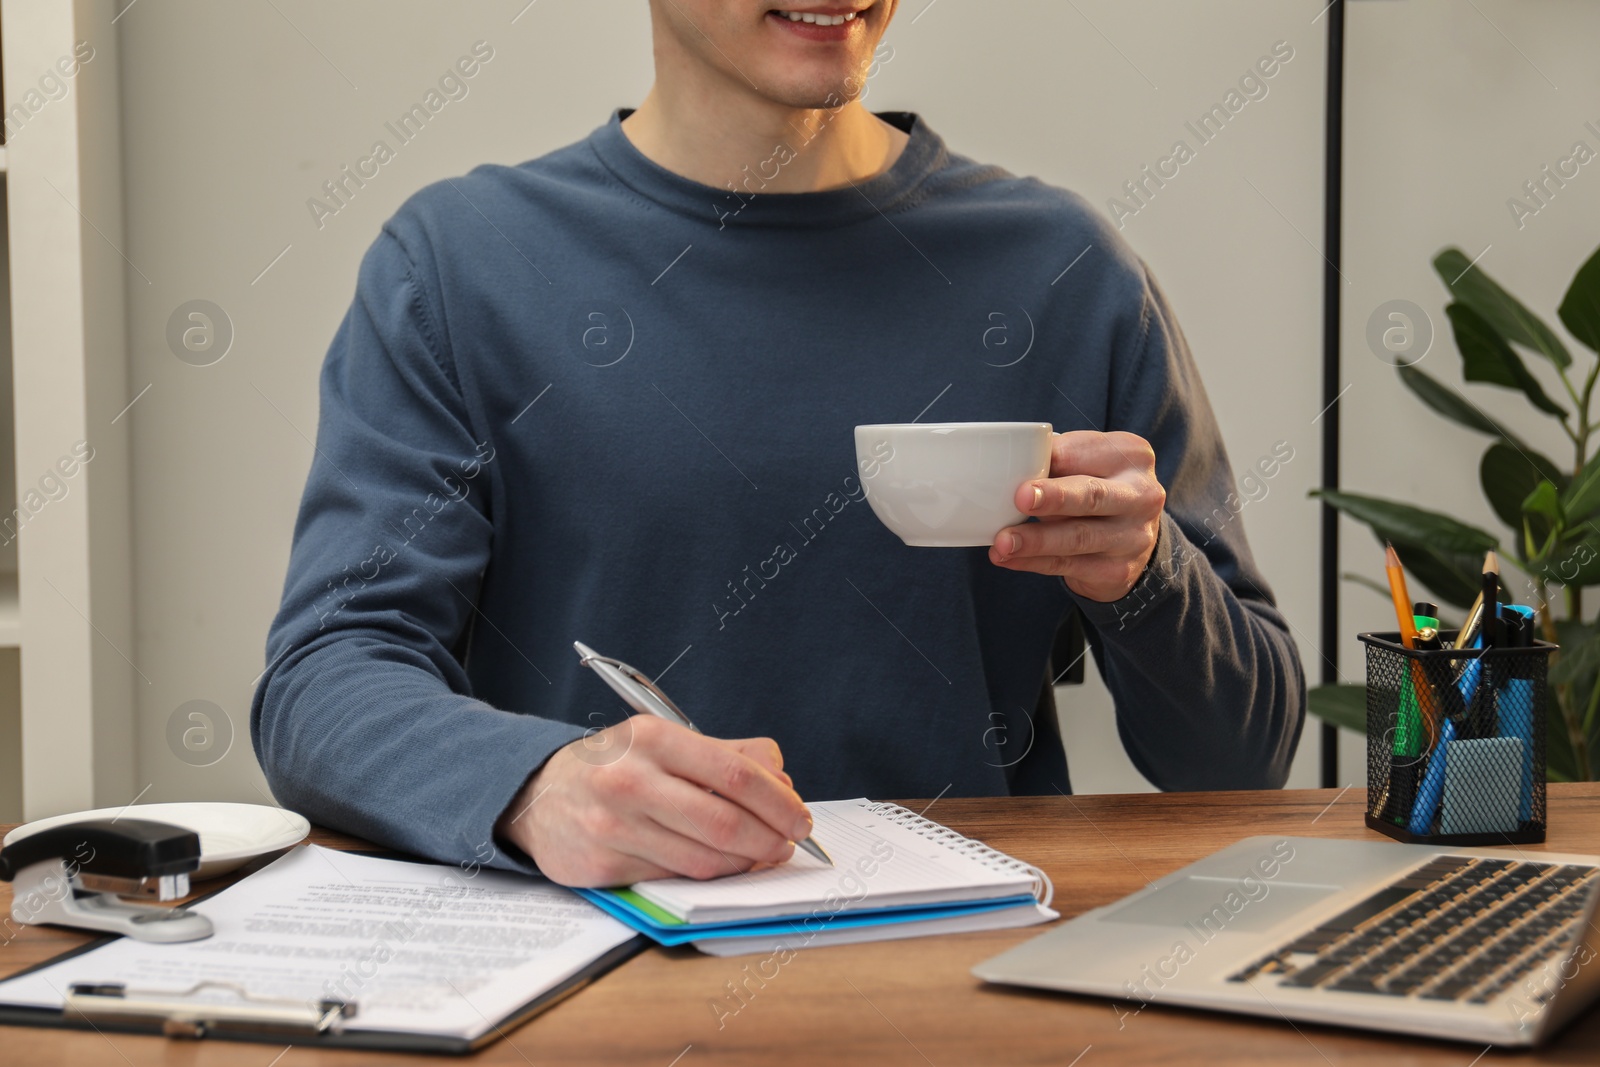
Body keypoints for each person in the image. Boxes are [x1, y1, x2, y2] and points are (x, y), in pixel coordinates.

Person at [252, 0, 1305, 888]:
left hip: (961, 980)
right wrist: (536, 781)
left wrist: (1144, 575)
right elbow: (325, 680)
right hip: (599, 978)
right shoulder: (460, 265)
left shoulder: (1063, 269)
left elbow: (1244, 758)